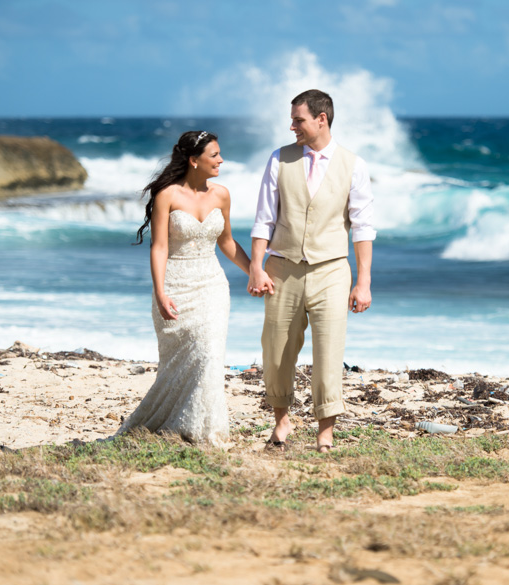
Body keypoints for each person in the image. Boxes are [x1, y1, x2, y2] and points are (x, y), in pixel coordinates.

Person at [248, 89, 375, 453]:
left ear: (322, 118)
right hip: (283, 267)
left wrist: (363, 282)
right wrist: (256, 267)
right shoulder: (279, 159)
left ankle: (326, 430)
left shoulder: (355, 165)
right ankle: (281, 421)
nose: (292, 127)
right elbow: (264, 219)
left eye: (299, 120)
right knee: (276, 350)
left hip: (332, 270)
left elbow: (363, 228)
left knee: (329, 350)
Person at [120, 130, 250, 447]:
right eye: (214, 155)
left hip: (212, 285)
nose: (221, 160)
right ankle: (172, 424)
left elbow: (227, 242)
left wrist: (255, 272)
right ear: (194, 161)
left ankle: (205, 430)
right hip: (176, 285)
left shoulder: (222, 194)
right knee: (178, 363)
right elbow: (159, 248)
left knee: (209, 353)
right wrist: (161, 292)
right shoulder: (168, 195)